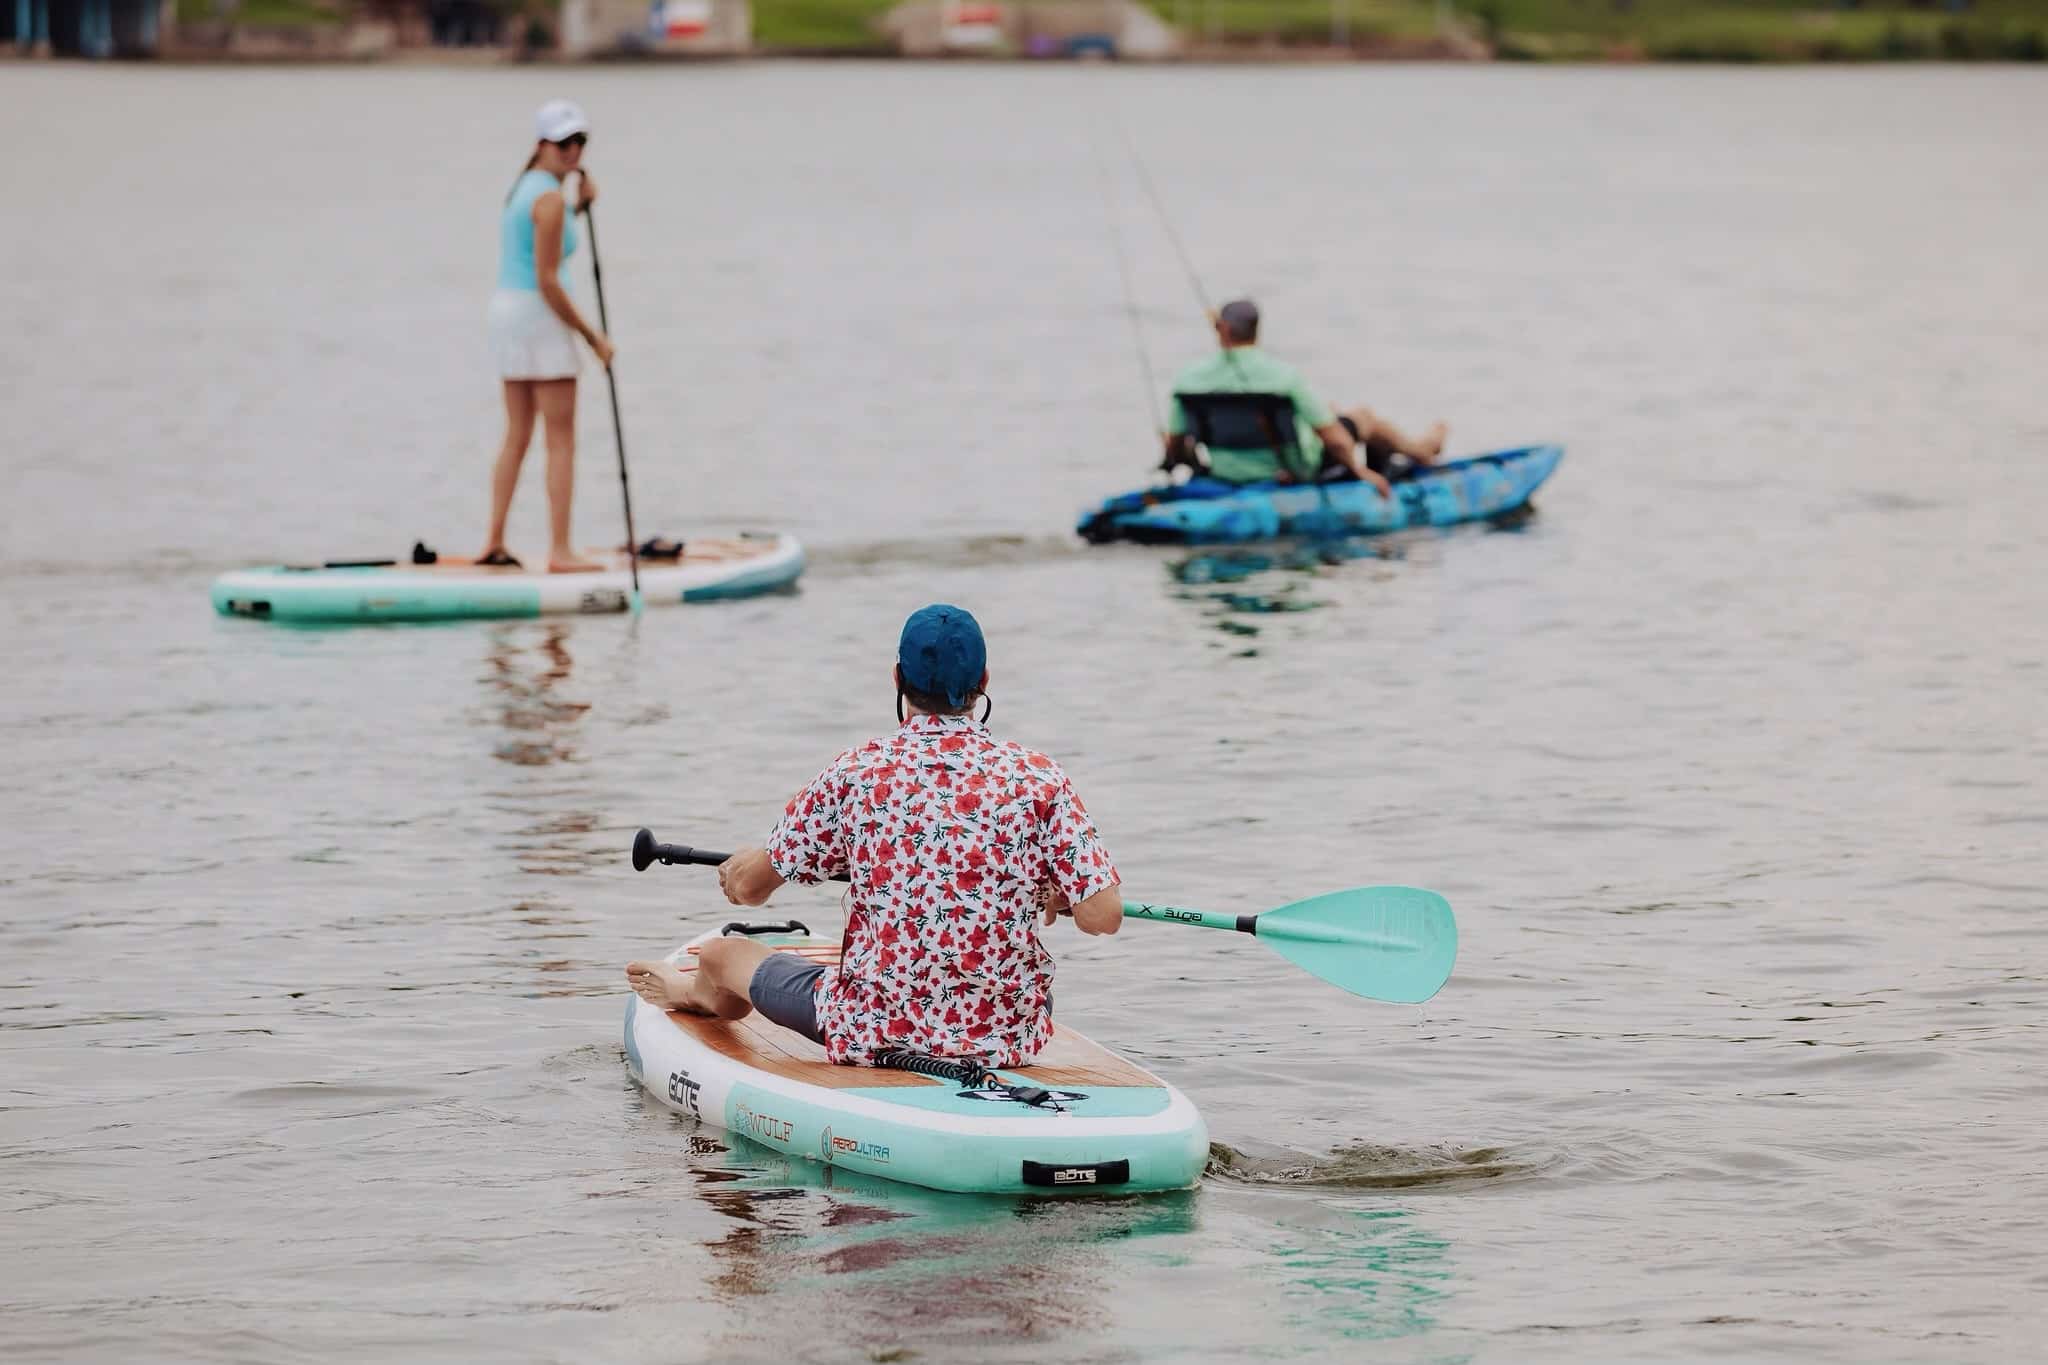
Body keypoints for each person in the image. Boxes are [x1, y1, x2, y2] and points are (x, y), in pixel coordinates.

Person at [625, 605, 1123, 1069]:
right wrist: (1062, 892)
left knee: (720, 953)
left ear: (898, 680)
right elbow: (1103, 917)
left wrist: (741, 872)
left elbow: (752, 890)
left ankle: (695, 993)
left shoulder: (856, 771)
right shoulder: (1039, 777)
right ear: (984, 682)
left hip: (872, 1028)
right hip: (1006, 1034)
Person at [478, 99, 614, 574]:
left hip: (507, 313)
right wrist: (593, 338)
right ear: (541, 145)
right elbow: (548, 279)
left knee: (517, 432)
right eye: (563, 144)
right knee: (560, 438)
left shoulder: (527, 189)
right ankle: (560, 551)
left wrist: (579, 205)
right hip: (538, 315)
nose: (573, 152)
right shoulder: (550, 199)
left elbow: (542, 241)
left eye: (580, 143)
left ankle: (493, 540)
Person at [1159, 299, 1448, 496]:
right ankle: (1422, 451)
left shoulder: (1188, 378)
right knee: (1364, 417)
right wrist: (1358, 471)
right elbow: (1335, 440)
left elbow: (1175, 448)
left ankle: (1420, 449)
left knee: (1335, 412)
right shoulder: (1283, 376)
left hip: (1226, 472)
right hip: (1291, 472)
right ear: (1256, 330)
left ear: (1221, 330)